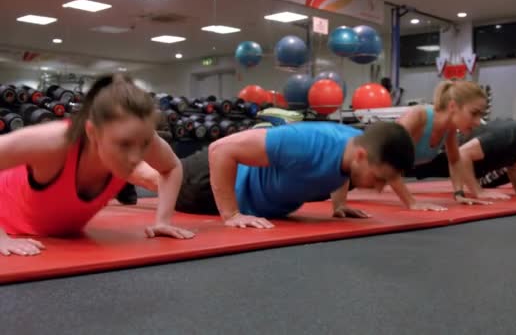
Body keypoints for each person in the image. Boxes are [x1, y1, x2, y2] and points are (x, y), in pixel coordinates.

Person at [0, 74, 194, 257]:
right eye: (124, 144)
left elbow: (171, 167)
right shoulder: (55, 141)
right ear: (92, 131)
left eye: (143, 144)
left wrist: (163, 221)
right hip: (13, 231)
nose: (136, 157)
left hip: (64, 241)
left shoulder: (139, 136)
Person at [133, 121, 416, 229]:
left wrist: (339, 204)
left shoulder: (358, 146)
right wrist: (231, 215)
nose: (379, 189)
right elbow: (221, 150)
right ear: (362, 157)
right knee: (153, 179)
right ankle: (116, 160)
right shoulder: (306, 142)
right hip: (217, 182)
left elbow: (341, 169)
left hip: (254, 197)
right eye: (379, 179)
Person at [412, 108, 516, 200]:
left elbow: (513, 161)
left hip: (460, 163)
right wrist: (477, 191)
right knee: (398, 168)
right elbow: (463, 153)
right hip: (440, 155)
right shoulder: (508, 135)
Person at [393, 80, 488, 210]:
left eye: (480, 115)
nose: (478, 122)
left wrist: (459, 193)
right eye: (474, 113)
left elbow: (454, 160)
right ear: (453, 106)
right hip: (361, 161)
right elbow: (387, 158)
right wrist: (411, 202)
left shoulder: (450, 128)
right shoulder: (418, 116)